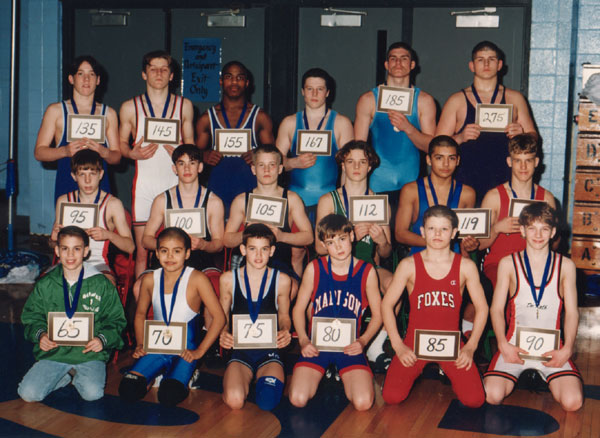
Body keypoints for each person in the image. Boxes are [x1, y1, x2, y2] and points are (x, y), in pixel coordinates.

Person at [381, 206, 488, 408]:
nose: (437, 234)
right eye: (431, 229)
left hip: (452, 344)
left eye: (444, 229)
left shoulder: (466, 266)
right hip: (414, 343)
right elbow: (387, 305)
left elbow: (482, 308)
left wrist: (471, 347)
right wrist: (398, 345)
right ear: (422, 231)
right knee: (392, 396)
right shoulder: (408, 265)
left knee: (475, 400)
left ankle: (461, 376)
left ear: (454, 233)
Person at [484, 203, 583, 411]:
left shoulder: (566, 266)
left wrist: (567, 348)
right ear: (522, 230)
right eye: (532, 228)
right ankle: (524, 373)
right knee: (491, 395)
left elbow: (572, 312)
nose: (538, 235)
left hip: (552, 349)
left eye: (544, 229)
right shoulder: (508, 264)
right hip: (514, 347)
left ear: (553, 232)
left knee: (573, 403)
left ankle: (541, 376)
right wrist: (503, 344)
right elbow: (496, 309)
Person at [119, 228, 226, 406]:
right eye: (164, 251)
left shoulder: (197, 278)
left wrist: (200, 351)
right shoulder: (150, 279)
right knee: (128, 390)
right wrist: (140, 343)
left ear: (187, 253)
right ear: (157, 253)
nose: (170, 256)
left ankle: (184, 374)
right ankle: (154, 376)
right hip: (157, 345)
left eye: (177, 251)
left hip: (186, 350)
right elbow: (140, 314)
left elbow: (219, 318)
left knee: (168, 396)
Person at [19, 226, 126, 402]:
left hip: (88, 353)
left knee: (92, 394)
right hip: (55, 352)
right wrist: (41, 335)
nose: (70, 255)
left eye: (76, 249)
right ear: (57, 251)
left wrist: (101, 339)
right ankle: (64, 375)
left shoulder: (101, 283)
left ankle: (74, 373)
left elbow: (116, 320)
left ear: (86, 251)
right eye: (65, 248)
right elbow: (32, 317)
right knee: (28, 394)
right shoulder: (45, 284)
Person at [288, 214, 382, 411]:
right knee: (297, 398)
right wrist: (304, 340)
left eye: (342, 239)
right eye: (331, 242)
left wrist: (363, 341)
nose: (338, 247)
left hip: (350, 346)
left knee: (363, 403)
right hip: (317, 345)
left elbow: (379, 315)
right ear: (323, 245)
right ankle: (327, 369)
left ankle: (351, 373)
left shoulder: (367, 271)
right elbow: (298, 309)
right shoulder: (314, 268)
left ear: (352, 237)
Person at [118, 50, 195, 278]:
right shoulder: (130, 107)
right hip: (145, 187)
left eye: (164, 69)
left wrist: (182, 151)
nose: (158, 73)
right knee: (143, 252)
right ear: (144, 74)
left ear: (172, 75)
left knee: (179, 250)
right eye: (153, 68)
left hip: (176, 186)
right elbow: (121, 144)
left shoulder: (185, 106)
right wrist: (132, 154)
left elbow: (192, 147)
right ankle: (141, 308)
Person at [436, 41, 536, 204]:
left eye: (491, 59)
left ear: (500, 64)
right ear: (472, 65)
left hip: (505, 178)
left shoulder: (515, 98)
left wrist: (522, 134)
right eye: (480, 60)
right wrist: (460, 137)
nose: (486, 64)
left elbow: (534, 137)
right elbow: (436, 145)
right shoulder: (457, 100)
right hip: (466, 179)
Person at [219, 224, 292, 411]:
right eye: (252, 249)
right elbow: (222, 316)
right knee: (235, 401)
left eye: (264, 249)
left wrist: (285, 331)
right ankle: (240, 380)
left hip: (269, 351)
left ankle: (261, 380)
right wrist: (223, 332)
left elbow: (284, 316)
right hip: (240, 350)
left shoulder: (282, 280)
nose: (258, 256)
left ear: (272, 251)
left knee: (267, 402)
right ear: (243, 250)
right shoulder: (228, 279)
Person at [354, 42, 436, 204]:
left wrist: (408, 128)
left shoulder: (424, 101)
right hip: (376, 184)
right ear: (386, 64)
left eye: (404, 59)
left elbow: (431, 147)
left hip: (411, 184)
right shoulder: (369, 100)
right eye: (393, 59)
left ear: (412, 65)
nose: (398, 63)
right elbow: (356, 149)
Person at [224, 144, 313, 292]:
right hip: (248, 264)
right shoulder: (241, 200)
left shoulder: (292, 199)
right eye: (261, 165)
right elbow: (227, 240)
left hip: (280, 264)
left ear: (279, 169)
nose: (266, 170)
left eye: (272, 165)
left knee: (288, 289)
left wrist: (282, 236)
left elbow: (308, 237)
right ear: (253, 169)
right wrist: (246, 233)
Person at [34, 56, 121, 201]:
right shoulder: (56, 111)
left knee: (99, 224)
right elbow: (39, 152)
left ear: (98, 80)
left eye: (91, 74)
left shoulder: (109, 114)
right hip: (67, 184)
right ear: (71, 79)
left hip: (100, 187)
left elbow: (117, 157)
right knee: (67, 224)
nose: (86, 79)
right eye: (80, 74)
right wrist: (65, 151)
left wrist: (103, 151)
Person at [276, 68, 354, 224]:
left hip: (329, 200)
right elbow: (274, 163)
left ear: (327, 93)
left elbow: (350, 166)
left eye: (320, 89)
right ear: (302, 91)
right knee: (296, 247)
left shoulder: (341, 123)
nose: (314, 94)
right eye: (310, 89)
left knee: (324, 247)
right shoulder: (289, 123)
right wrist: (293, 162)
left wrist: (345, 201)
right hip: (295, 200)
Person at [478, 133, 556, 289]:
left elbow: (554, 244)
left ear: (536, 162)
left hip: (535, 263)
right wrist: (497, 228)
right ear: (509, 162)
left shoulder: (546, 198)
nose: (523, 167)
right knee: (511, 287)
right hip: (498, 264)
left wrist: (552, 232)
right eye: (517, 161)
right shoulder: (494, 197)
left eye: (528, 161)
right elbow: (479, 245)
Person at [196, 61, 275, 214]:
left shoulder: (260, 117)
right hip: (218, 186)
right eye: (228, 77)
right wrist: (204, 155)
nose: (234, 82)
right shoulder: (207, 118)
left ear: (246, 83)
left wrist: (258, 155)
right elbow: (193, 154)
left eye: (239, 78)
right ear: (221, 81)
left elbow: (274, 155)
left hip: (250, 185)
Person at [51, 150, 135, 284]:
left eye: (92, 174)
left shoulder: (112, 204)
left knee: (104, 286)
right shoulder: (64, 201)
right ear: (74, 176)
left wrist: (108, 235)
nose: (87, 180)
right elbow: (53, 244)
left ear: (101, 174)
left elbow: (130, 247)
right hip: (67, 262)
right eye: (82, 174)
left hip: (97, 264)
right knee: (44, 286)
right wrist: (54, 237)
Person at [142, 144, 224, 277]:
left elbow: (219, 243)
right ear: (174, 169)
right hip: (168, 258)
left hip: (199, 258)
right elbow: (146, 239)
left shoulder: (214, 202)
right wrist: (168, 245)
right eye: (181, 163)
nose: (187, 168)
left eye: (192, 163)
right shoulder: (161, 200)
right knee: (139, 287)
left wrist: (203, 245)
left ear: (200, 167)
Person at [395, 135, 476, 256]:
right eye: (439, 158)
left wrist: (470, 244)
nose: (446, 164)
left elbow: (466, 237)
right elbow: (400, 233)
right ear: (428, 160)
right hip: (421, 256)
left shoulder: (467, 193)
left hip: (452, 259)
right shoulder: (411, 190)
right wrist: (436, 243)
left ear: (458, 161)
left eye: (451, 158)